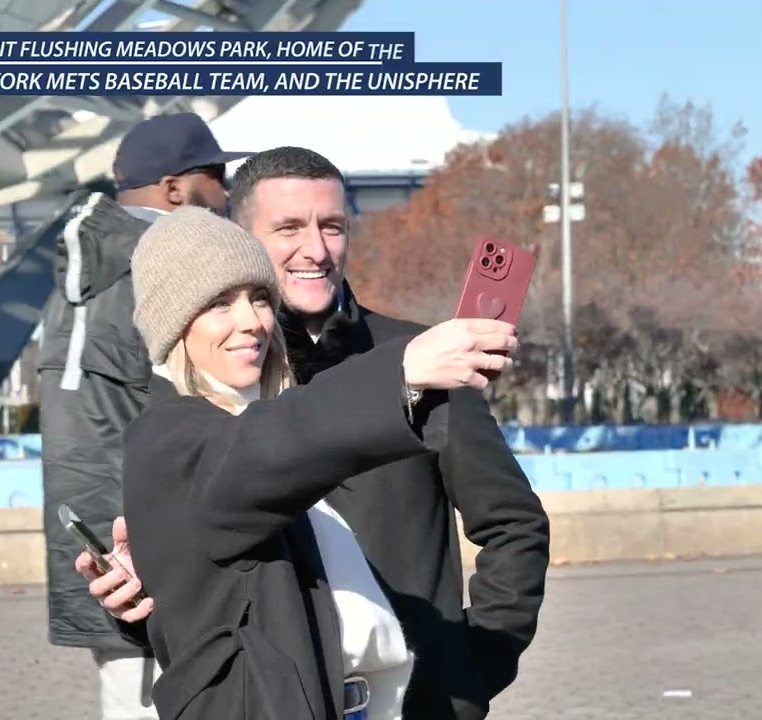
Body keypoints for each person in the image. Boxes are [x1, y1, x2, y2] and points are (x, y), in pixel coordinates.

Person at [80, 146, 551, 719]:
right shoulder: (192, 411)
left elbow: (513, 524)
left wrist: (470, 673)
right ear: (242, 239)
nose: (316, 249)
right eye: (288, 228)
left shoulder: (427, 359)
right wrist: (141, 598)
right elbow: (222, 548)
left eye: (332, 226)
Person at [37, 112, 250, 720]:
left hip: (97, 542)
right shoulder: (161, 267)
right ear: (174, 189)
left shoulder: (87, 272)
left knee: (129, 699)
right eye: (215, 177)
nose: (227, 192)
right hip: (149, 548)